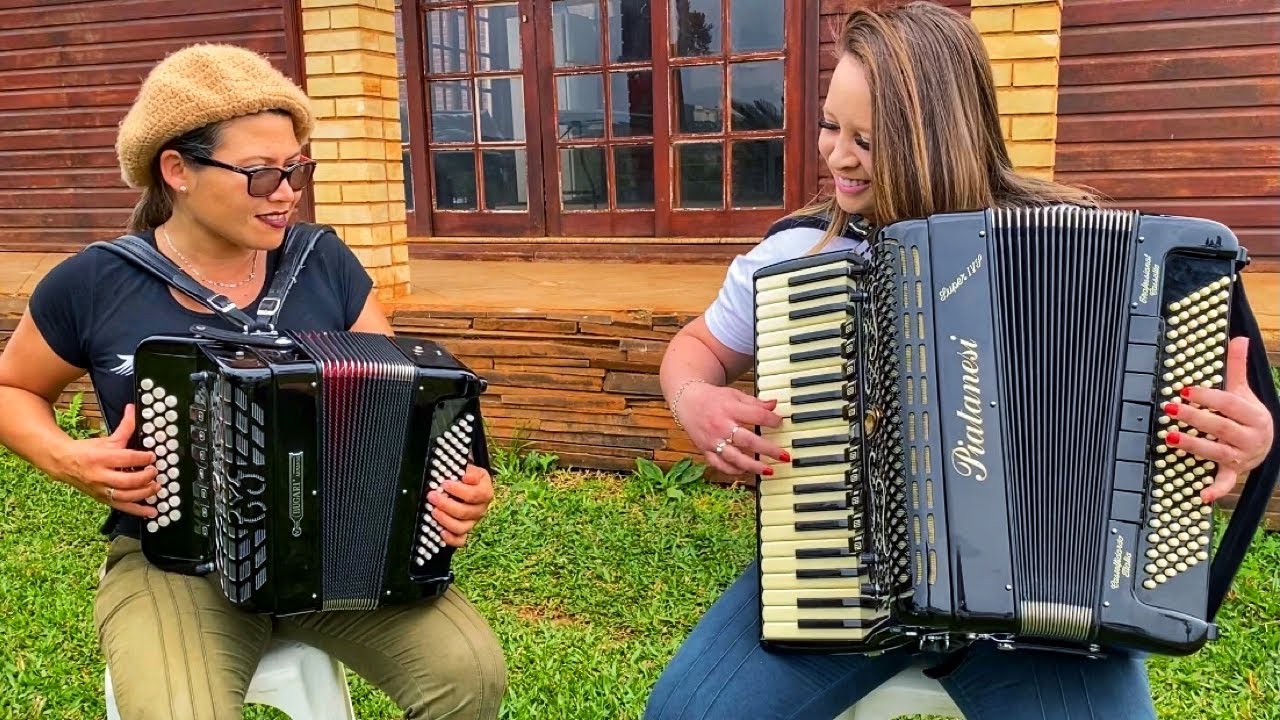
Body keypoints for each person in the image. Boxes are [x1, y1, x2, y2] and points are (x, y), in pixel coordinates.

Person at [647, 3, 1277, 719]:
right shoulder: (802, 257)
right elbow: (695, 351)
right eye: (831, 126)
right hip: (837, 577)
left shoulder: (1089, 246)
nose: (837, 156)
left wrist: (1243, 435)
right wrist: (692, 398)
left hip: (1046, 622)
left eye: (868, 139)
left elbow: (1187, 414)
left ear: (940, 137)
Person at [0, 45, 506, 720]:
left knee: (468, 675)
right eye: (262, 174)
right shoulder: (95, 283)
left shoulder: (322, 262)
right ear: (176, 170)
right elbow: (12, 388)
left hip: (338, 559)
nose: (289, 193)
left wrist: (460, 485)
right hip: (174, 563)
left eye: (298, 169)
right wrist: (65, 457)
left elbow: (405, 400)